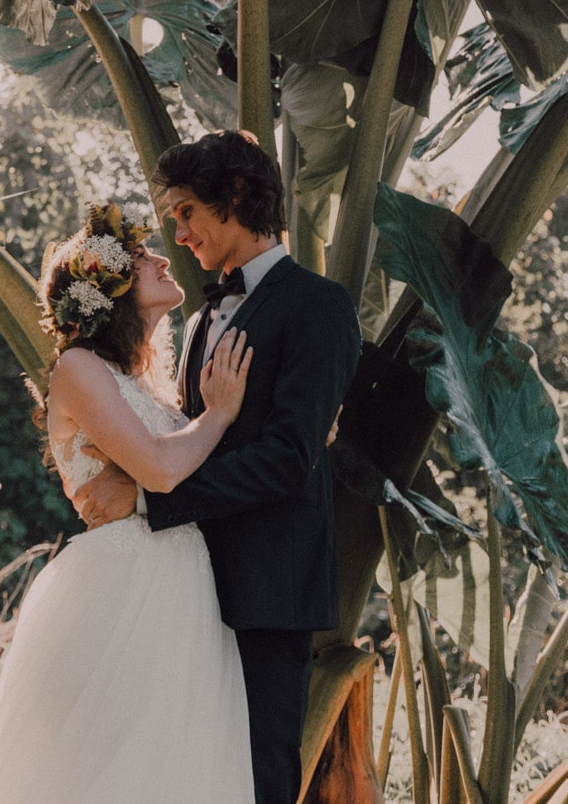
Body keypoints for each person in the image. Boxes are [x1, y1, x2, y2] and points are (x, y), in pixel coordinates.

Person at [75, 130, 362, 804]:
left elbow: (291, 458)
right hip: (189, 588)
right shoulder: (204, 319)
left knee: (260, 781)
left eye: (185, 212)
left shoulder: (319, 306)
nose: (178, 233)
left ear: (234, 197)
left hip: (269, 590)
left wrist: (151, 501)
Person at [0, 198, 255, 804]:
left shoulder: (145, 381)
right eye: (142, 257)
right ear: (112, 288)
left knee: (170, 765)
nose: (160, 259)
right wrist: (222, 413)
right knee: (100, 769)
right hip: (122, 587)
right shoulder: (77, 367)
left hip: (185, 588)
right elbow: (163, 468)